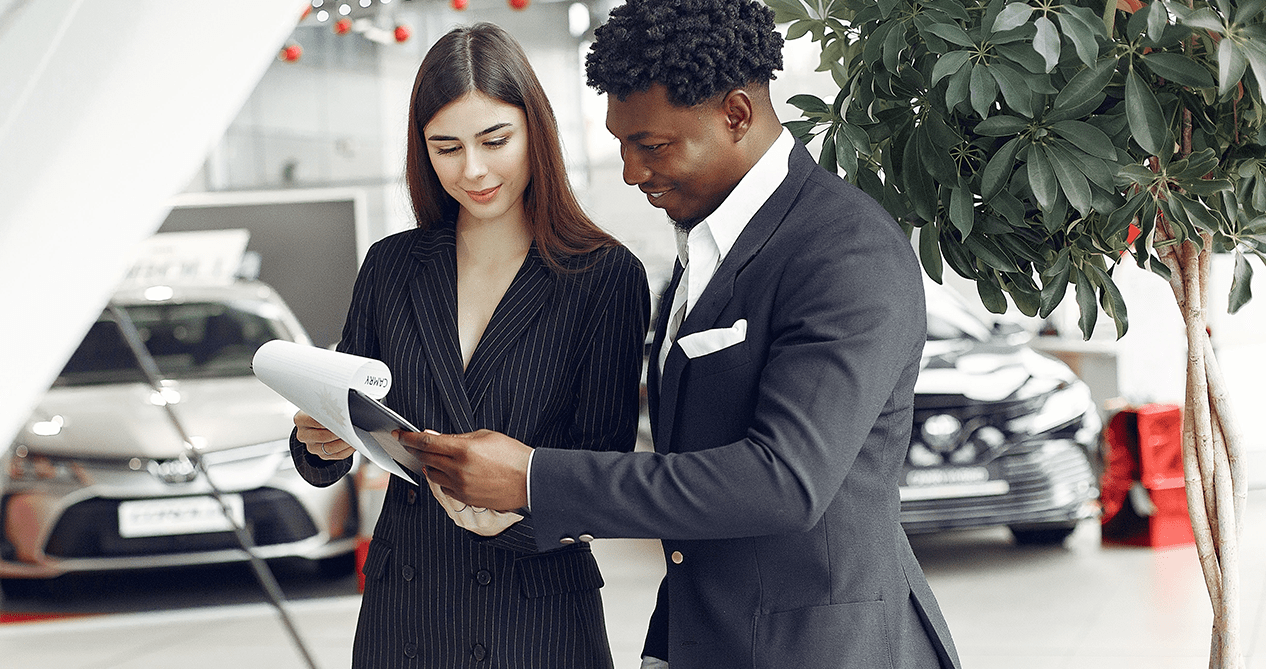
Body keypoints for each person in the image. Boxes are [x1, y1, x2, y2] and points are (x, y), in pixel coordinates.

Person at [399, 1, 963, 668]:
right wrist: (666, 645)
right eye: (621, 144)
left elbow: (783, 482)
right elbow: (695, 497)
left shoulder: (844, 250)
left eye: (653, 145)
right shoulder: (707, 246)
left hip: (829, 650)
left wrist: (533, 477)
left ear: (736, 115)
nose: (632, 172)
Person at [288, 22, 649, 668]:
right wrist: (318, 442)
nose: (473, 169)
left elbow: (603, 474)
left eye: (494, 140)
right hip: (407, 615)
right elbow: (333, 439)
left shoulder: (603, 276)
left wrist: (507, 509)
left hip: (536, 620)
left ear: (535, 130)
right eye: (446, 147)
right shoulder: (392, 267)